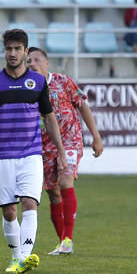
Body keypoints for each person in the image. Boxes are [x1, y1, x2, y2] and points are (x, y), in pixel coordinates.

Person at [0, 29, 67, 274]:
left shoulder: (37, 82)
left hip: (31, 154)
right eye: (9, 49)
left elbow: (49, 118)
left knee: (29, 202)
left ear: (26, 52)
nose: (13, 53)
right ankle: (16, 257)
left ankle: (24, 257)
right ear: (4, 50)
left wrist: (61, 151)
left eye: (18, 49)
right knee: (9, 209)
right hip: (3, 156)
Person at [27, 47, 104, 256]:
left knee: (65, 181)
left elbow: (83, 106)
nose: (31, 64)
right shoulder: (28, 88)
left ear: (46, 63)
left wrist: (96, 137)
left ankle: (68, 240)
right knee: (52, 193)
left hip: (70, 141)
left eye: (36, 60)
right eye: (28, 61)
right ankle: (63, 242)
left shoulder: (63, 82)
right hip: (44, 146)